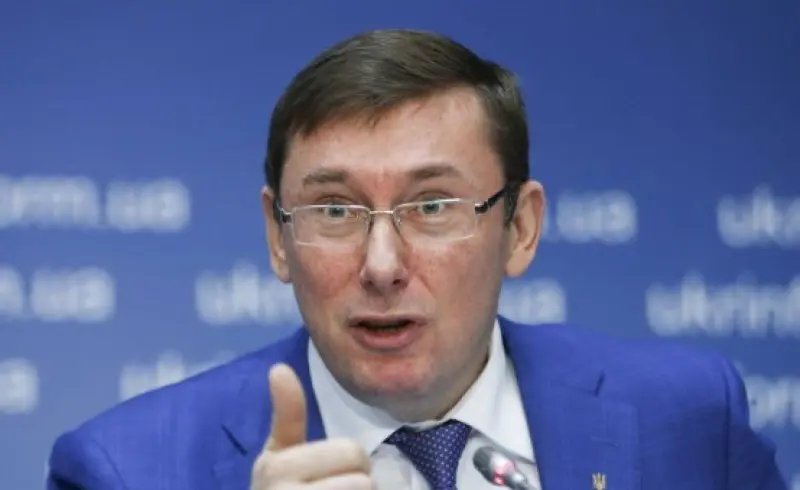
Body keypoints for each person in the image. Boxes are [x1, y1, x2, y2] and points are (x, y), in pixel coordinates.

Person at [47, 29, 787, 490]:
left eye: (432, 207)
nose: (381, 265)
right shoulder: (124, 470)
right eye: (335, 210)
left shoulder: (688, 418)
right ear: (277, 236)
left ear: (521, 228)